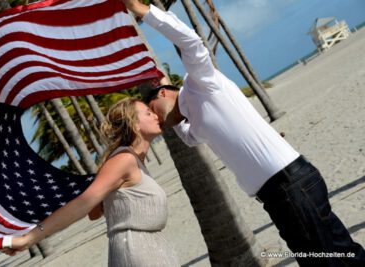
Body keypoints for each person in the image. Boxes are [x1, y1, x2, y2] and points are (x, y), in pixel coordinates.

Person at [122, 0, 365, 266]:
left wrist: (142, 10)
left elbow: (190, 42)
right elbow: (188, 137)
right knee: (344, 252)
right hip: (281, 193)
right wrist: (170, 119)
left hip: (290, 185)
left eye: (151, 109)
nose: (154, 116)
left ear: (164, 91)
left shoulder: (200, 85)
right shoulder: (195, 124)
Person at [1, 98, 179, 267]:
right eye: (148, 113)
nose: (156, 116)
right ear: (134, 124)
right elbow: (83, 204)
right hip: (138, 250)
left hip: (149, 246)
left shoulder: (133, 161)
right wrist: (28, 239)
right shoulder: (124, 160)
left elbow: (95, 212)